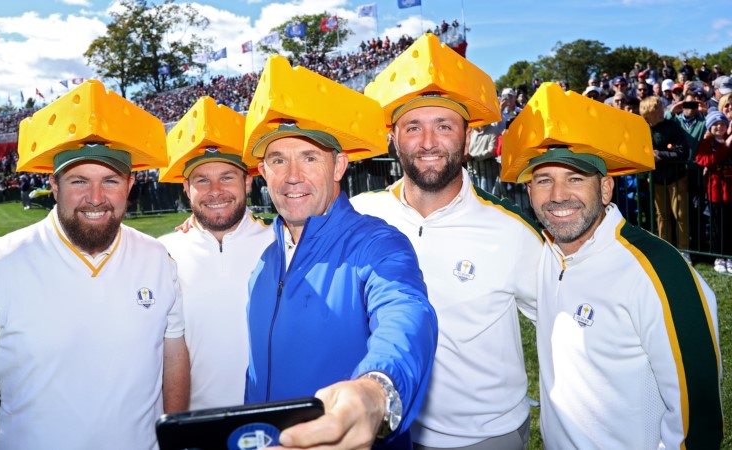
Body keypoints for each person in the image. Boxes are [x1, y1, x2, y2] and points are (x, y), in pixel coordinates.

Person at [0, 79, 189, 450]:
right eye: (79, 181)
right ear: (54, 185)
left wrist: (174, 441)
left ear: (130, 184)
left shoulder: (158, 259)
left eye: (110, 181)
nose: (96, 198)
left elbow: (174, 358)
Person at [501, 82, 722, 448]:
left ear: (606, 189)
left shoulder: (660, 273)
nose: (558, 196)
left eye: (575, 178)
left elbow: (697, 426)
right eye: (544, 180)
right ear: (529, 192)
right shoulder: (544, 254)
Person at [356, 33, 544, 450]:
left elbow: (563, 323)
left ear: (465, 136)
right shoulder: (361, 214)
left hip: (486, 437)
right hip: (386, 433)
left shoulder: (511, 230)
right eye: (413, 128)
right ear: (393, 138)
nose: (427, 144)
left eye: (443, 126)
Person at [243, 55, 438, 450]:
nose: (292, 175)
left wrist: (375, 389)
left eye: (309, 157)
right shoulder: (265, 261)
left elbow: (406, 315)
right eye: (279, 160)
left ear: (338, 166)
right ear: (264, 173)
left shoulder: (377, 244)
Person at [157, 97, 274, 409]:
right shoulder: (163, 252)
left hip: (272, 418)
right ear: (186, 187)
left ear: (247, 182)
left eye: (227, 177)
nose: (215, 191)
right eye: (202, 180)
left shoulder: (281, 243)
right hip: (193, 423)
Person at [640, 96, 691, 257]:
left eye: (661, 108)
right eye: (657, 110)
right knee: (661, 216)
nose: (662, 112)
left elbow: (683, 152)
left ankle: (684, 251)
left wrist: (660, 154)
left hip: (677, 178)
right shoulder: (641, 129)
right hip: (656, 179)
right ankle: (666, 250)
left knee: (681, 215)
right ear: (648, 114)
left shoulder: (673, 127)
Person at [695, 110, 732, 273]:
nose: (719, 127)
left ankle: (729, 256)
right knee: (717, 225)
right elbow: (704, 160)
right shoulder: (707, 142)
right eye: (715, 124)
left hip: (730, 189)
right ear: (710, 127)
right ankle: (719, 256)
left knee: (729, 225)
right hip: (715, 190)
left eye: (722, 124)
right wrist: (726, 146)